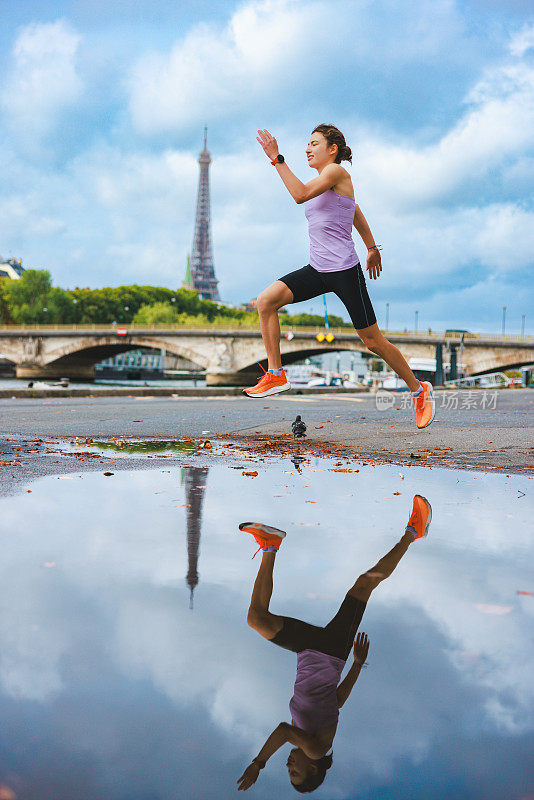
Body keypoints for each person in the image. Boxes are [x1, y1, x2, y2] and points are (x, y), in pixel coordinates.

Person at [243, 124, 435, 429]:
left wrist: (277, 159)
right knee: (266, 301)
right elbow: (354, 211)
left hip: (345, 271)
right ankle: (276, 374)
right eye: (307, 143)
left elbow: (299, 195)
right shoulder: (327, 182)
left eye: (314, 143)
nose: (307, 148)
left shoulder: (335, 173)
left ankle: (418, 390)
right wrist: (372, 247)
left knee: (373, 341)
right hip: (318, 269)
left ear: (332, 149)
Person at [237, 495, 432, 792]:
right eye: (295, 774)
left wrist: (357, 666)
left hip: (308, 650)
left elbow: (335, 702)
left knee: (256, 618)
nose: (289, 767)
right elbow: (283, 731)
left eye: (289, 773)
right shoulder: (315, 749)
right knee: (366, 583)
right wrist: (258, 763)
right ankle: (413, 532)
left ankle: (271, 544)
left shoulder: (313, 734)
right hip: (330, 651)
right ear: (312, 769)